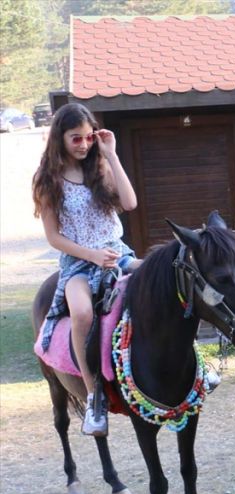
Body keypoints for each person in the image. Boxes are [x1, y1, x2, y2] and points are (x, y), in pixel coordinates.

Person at [33, 103, 139, 436]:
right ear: (59, 138)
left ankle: (194, 368)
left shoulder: (100, 167)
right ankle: (94, 397)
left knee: (161, 278)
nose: (82, 145)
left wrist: (112, 155)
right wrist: (91, 256)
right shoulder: (47, 180)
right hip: (78, 264)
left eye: (87, 138)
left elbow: (130, 203)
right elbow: (54, 237)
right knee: (81, 314)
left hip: (118, 254)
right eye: (75, 138)